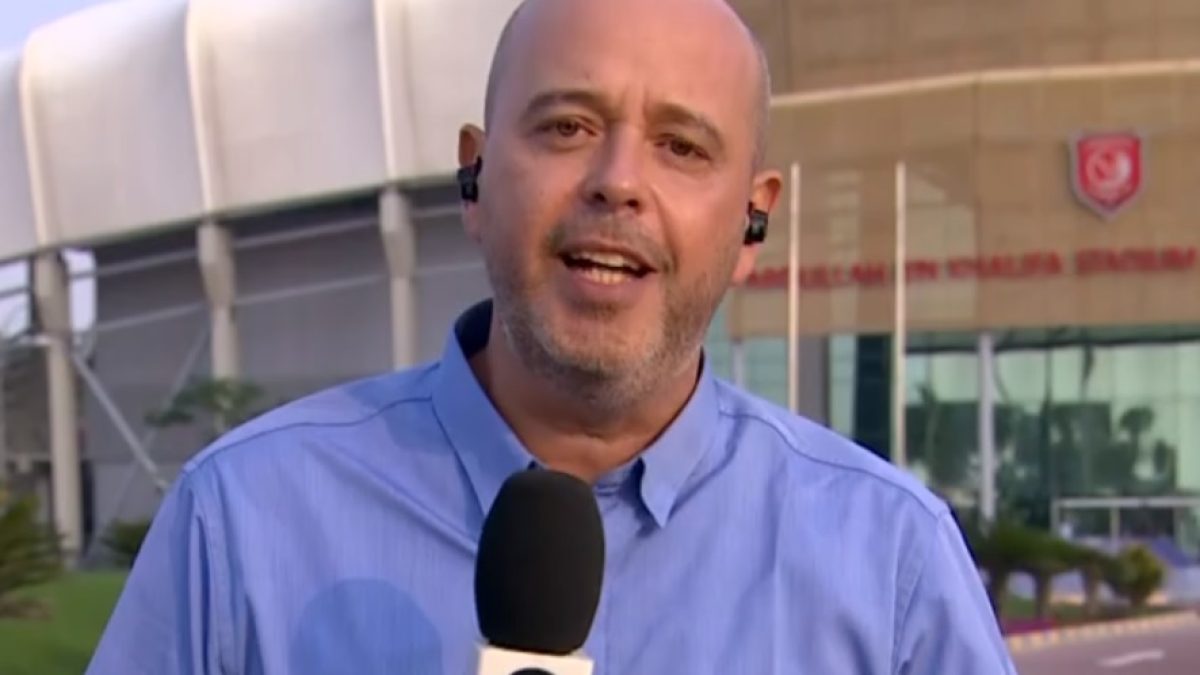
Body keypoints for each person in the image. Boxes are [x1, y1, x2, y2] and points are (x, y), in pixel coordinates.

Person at [86, 0, 1017, 672]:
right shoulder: (240, 524)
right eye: (567, 126)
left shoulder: (892, 565)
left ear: (751, 223)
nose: (618, 182)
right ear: (475, 178)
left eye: (682, 146)